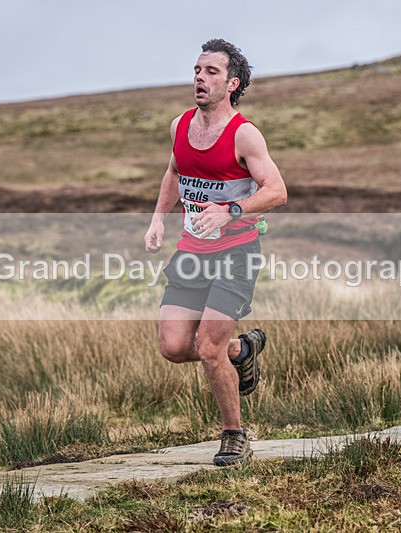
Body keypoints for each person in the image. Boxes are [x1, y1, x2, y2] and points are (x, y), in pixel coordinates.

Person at [144, 38, 287, 466]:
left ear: (232, 83)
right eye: (197, 70)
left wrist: (232, 210)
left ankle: (234, 436)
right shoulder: (180, 126)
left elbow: (277, 192)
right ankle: (243, 351)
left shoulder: (244, 134)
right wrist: (157, 218)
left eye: (211, 72)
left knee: (208, 346)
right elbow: (174, 171)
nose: (200, 79)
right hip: (191, 251)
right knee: (172, 346)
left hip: (236, 252)